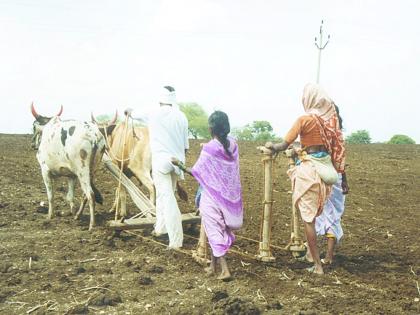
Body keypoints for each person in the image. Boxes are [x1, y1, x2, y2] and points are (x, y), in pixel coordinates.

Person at [265, 83, 345, 275]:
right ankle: (312, 256)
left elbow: (283, 144)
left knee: (308, 220)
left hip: (309, 172)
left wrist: (271, 146)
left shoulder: (304, 120)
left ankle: (317, 265)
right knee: (316, 215)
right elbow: (332, 149)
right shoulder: (328, 123)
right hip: (325, 172)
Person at [172, 111, 243, 281]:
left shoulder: (210, 148)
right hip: (229, 197)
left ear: (211, 128)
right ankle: (212, 267)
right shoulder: (233, 145)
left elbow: (195, 171)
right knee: (218, 230)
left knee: (213, 231)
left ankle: (225, 270)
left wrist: (179, 164)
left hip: (211, 197)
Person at [126, 86, 189, 249]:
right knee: (164, 195)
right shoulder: (182, 116)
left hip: (161, 161)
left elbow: (134, 113)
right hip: (178, 162)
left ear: (160, 99)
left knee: (168, 199)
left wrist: (128, 111)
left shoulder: (153, 113)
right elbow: (185, 146)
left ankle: (176, 240)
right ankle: (160, 227)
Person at [307, 104, 349, 264]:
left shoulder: (321, 133)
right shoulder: (338, 136)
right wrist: (344, 180)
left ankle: (313, 254)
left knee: (316, 213)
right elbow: (341, 160)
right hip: (336, 177)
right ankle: (328, 256)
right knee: (333, 215)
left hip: (322, 175)